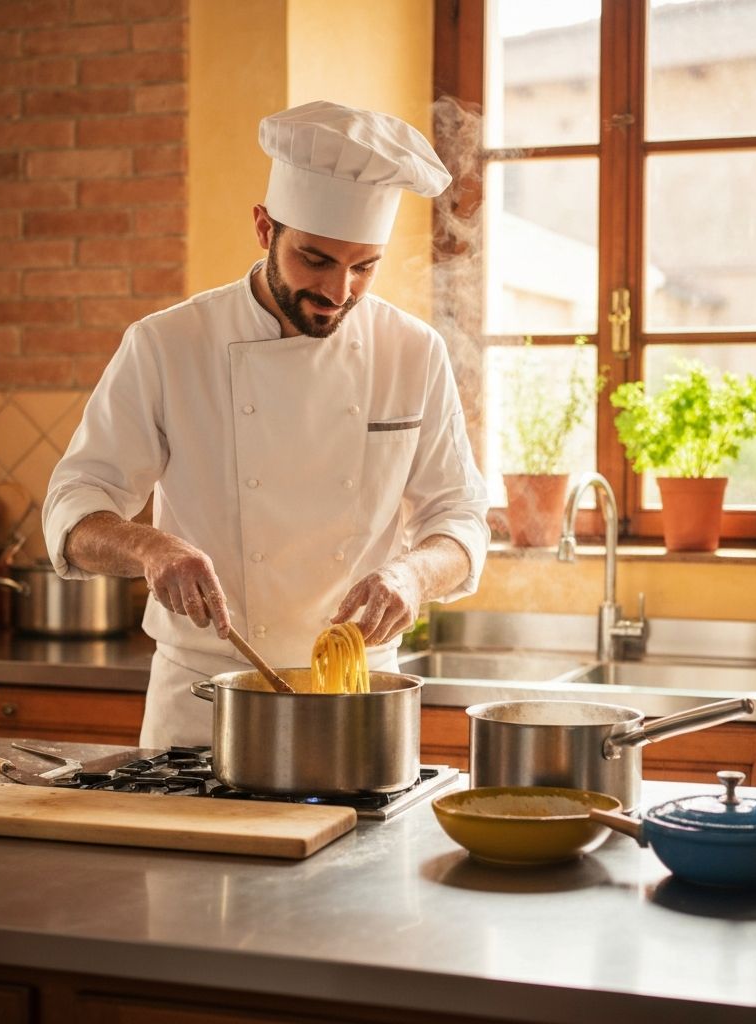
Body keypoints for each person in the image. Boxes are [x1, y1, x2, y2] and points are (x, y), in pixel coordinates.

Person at [43, 99, 490, 747]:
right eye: (316, 259)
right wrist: (150, 548)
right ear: (263, 228)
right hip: (206, 701)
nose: (338, 292)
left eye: (364, 267)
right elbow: (73, 506)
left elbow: (460, 518)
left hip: (354, 699)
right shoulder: (168, 344)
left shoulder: (412, 352)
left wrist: (412, 576)